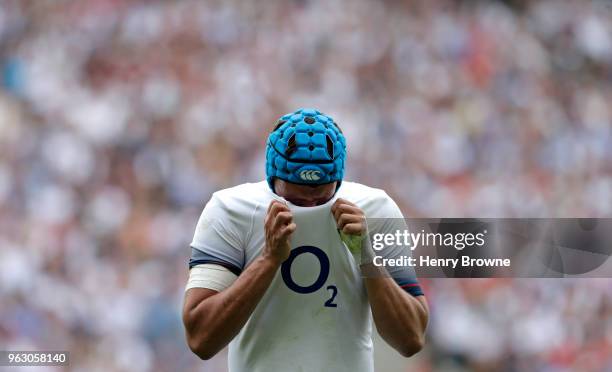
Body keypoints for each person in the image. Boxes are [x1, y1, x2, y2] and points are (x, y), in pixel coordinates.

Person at [182, 108, 428, 372]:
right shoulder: (229, 210)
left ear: (338, 179)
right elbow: (201, 339)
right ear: (272, 178)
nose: (310, 206)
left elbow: (411, 338)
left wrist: (366, 257)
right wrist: (268, 259)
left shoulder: (377, 209)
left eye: (322, 199)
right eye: (297, 201)